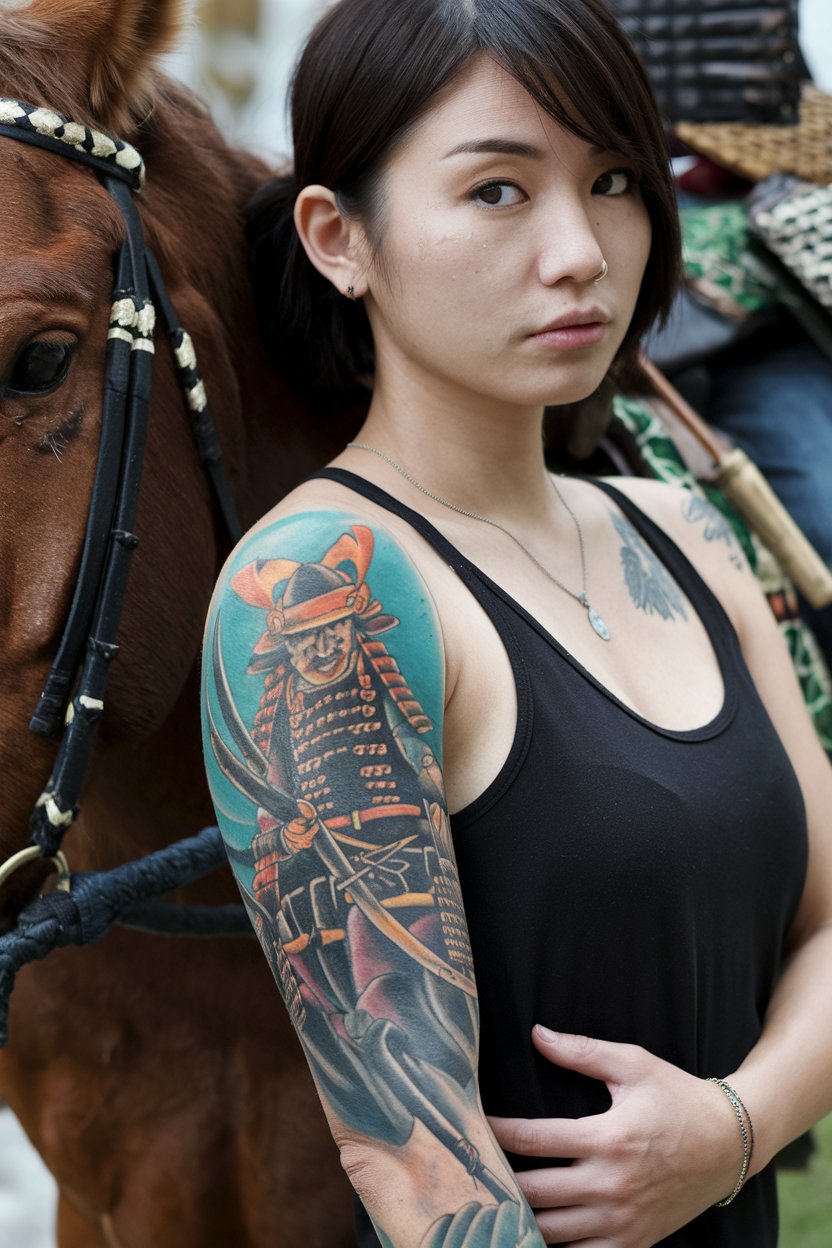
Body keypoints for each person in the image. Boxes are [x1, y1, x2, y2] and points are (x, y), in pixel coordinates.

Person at [201, 2, 832, 1245]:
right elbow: (414, 1163)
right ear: (337, 238)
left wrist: (731, 1131)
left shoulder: (683, 533)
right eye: (496, 190)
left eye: (613, 181)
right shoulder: (325, 591)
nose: (580, 252)